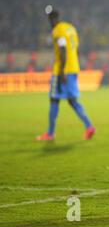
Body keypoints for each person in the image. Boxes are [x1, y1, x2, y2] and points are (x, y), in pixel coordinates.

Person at [36, 10, 96, 141]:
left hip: (62, 70)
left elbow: (62, 50)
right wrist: (76, 66)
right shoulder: (71, 28)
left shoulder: (58, 30)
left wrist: (62, 70)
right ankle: (89, 126)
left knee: (54, 99)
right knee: (72, 100)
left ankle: (50, 134)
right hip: (74, 68)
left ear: (51, 20)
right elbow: (77, 49)